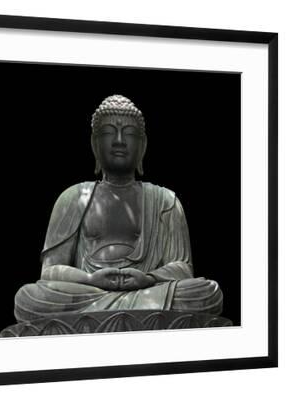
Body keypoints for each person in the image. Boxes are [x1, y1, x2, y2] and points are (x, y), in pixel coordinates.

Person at [14, 95, 223, 323]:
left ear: (143, 145)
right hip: (90, 292)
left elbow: (183, 269)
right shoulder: (74, 197)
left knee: (207, 292)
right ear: (95, 144)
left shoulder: (165, 200)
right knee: (29, 297)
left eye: (130, 134)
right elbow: (50, 271)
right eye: (108, 133)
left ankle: (111, 315)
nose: (119, 141)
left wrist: (149, 278)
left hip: (149, 292)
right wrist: (90, 279)